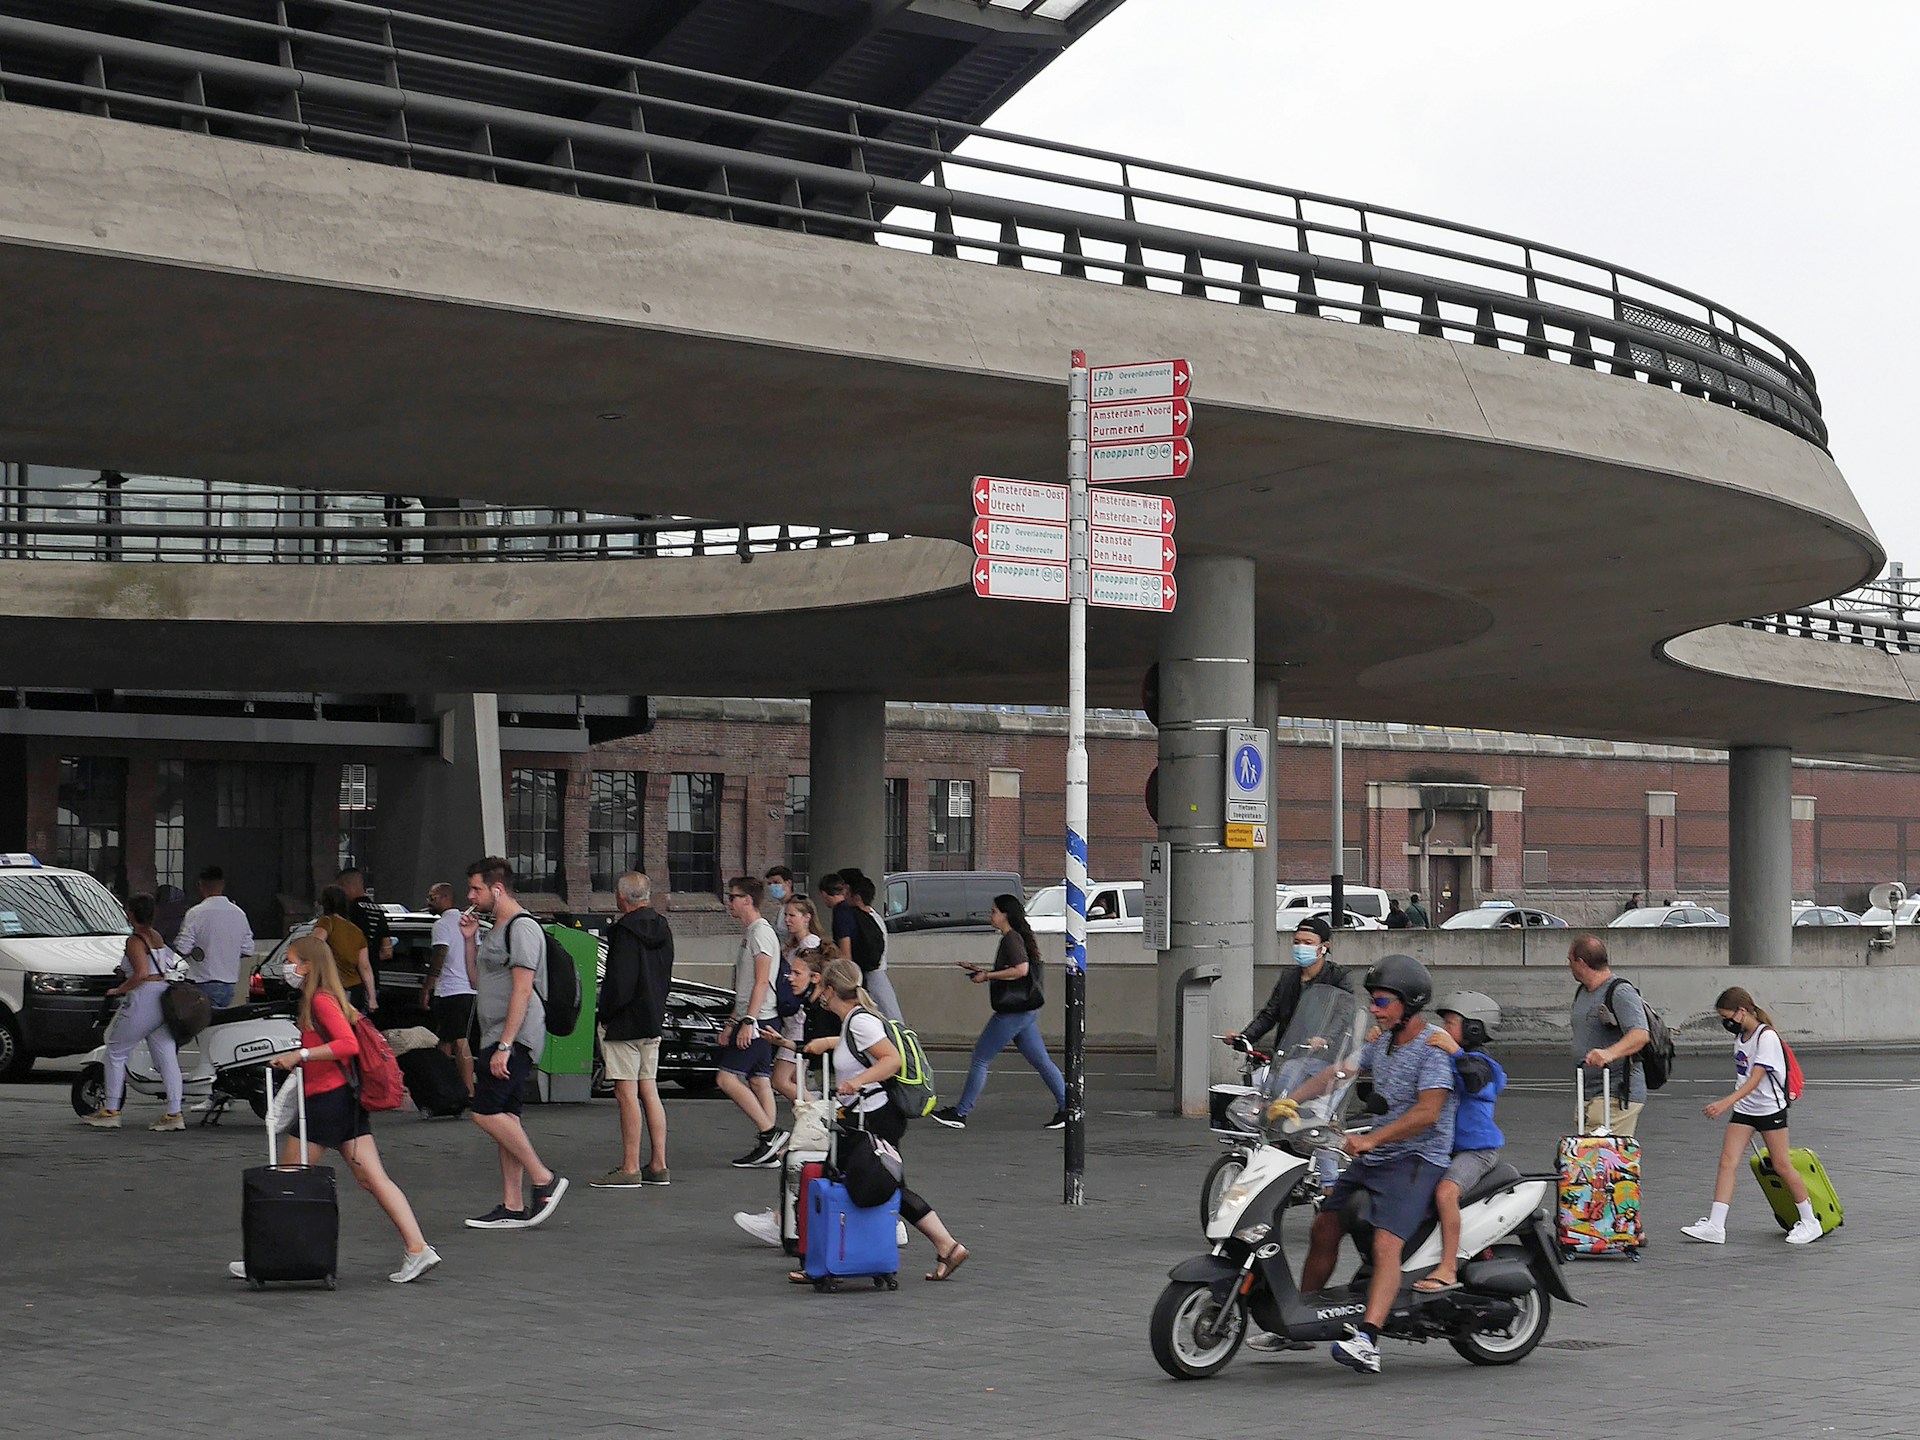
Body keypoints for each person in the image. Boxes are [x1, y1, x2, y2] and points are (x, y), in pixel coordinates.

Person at [227, 934, 440, 1284]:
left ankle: (266, 1255)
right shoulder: (329, 999)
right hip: (346, 1100)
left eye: (292, 960)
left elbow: (346, 1044)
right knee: (372, 1178)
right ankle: (417, 1247)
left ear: (308, 966)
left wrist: (302, 1055)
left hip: (327, 1102)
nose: (288, 968)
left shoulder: (322, 1002)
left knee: (286, 1178)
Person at [1293, 954, 1456, 1376]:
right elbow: (1338, 1073)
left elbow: (1428, 1114)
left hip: (1417, 1158)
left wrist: (1372, 1138)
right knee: (1324, 1225)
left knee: (1387, 1243)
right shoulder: (1380, 1044)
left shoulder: (1433, 1047)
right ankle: (1297, 1322)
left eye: (1382, 1002)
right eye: (1373, 1002)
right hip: (1376, 1154)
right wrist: (1289, 1101)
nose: (1376, 1010)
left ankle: (1367, 1340)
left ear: (1408, 1004)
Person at [793, 958, 969, 1283]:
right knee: (881, 1186)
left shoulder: (860, 1022)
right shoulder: (852, 1022)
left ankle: (826, 1262)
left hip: (873, 1117)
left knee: (858, 1182)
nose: (819, 994)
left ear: (831, 990)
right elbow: (853, 1048)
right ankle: (944, 1246)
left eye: (821, 988)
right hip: (864, 1116)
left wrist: (857, 1083)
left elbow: (892, 1059)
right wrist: (813, 1045)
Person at [460, 857, 568, 1230]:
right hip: (494, 1033)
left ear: (497, 888)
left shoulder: (522, 928)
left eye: (476, 889)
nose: (471, 896)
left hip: (513, 1036)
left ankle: (545, 1178)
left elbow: (523, 989)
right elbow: (478, 980)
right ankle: (512, 1204)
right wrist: (469, 940)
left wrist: (506, 1044)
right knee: (507, 1118)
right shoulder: (497, 928)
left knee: (484, 1112)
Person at [1681, 986, 1824, 1246]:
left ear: (1743, 1011)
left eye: (1728, 1017)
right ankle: (1716, 1225)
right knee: (1727, 1161)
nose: (1727, 1023)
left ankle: (1810, 1222)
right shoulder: (1743, 1036)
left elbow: (1756, 1080)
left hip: (1770, 1109)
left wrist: (1725, 1102)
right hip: (1746, 1109)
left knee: (1781, 1165)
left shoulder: (1766, 1037)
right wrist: (1734, 1103)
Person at [930, 893, 1066, 1130]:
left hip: (1013, 1012)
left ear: (1005, 915)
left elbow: (1021, 970)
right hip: (1026, 1011)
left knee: (980, 1058)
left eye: (994, 911)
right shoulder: (1016, 937)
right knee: (1042, 1062)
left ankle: (961, 1113)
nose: (990, 915)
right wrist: (981, 971)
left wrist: (987, 976)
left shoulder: (1011, 939)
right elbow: (1017, 969)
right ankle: (1068, 1108)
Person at [1414, 992, 1507, 1293]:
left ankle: (1448, 1267)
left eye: (1451, 1023)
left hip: (1477, 1152)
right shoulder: (1448, 1057)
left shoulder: (1482, 1065)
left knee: (1445, 1193)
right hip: (1443, 1148)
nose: (1443, 1028)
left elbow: (1474, 1079)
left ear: (1474, 1029)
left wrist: (1454, 1051)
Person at [591, 872, 673, 1189]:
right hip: (652, 1017)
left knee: (626, 1094)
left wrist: (607, 1014)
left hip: (625, 1022)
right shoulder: (663, 927)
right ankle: (659, 1164)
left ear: (622, 897)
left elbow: (619, 981)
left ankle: (629, 1168)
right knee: (649, 1089)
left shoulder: (624, 931)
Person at [81, 893, 186, 1132]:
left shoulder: (134, 940)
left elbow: (139, 974)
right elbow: (164, 964)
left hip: (144, 997)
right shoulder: (156, 936)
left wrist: (119, 989)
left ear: (130, 913)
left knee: (116, 1051)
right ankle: (174, 1112)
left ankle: (111, 1109)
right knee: (166, 1055)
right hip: (163, 996)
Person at [720, 875, 787, 1169]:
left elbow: (761, 981)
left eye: (732, 897)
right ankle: (770, 1148)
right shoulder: (752, 933)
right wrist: (733, 1020)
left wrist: (748, 1021)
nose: (729, 902)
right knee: (759, 1080)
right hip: (756, 1015)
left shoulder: (760, 932)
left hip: (759, 1017)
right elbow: (747, 985)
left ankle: (770, 1133)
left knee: (725, 1078)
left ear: (747, 899)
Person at [1223, 917, 1356, 1052]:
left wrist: (1325, 1038)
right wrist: (1244, 1037)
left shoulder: (1339, 977)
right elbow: (1269, 1014)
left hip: (1325, 1057)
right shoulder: (1289, 977)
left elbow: (1342, 1015)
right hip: (1287, 1054)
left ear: (1324, 947)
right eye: (1297, 942)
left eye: (1308, 943)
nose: (1301, 947)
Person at [1568, 934, 1650, 1136]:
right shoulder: (1583, 992)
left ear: (1581, 962)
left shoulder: (1620, 992)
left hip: (1616, 1093)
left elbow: (1640, 1034)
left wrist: (1609, 1053)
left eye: (1570, 961)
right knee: (1588, 1159)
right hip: (1591, 1092)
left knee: (1601, 1159)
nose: (1568, 966)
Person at [770, 894, 828, 1107]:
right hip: (793, 1019)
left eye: (792, 915)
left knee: (780, 1079)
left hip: (800, 1020)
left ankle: (815, 1111)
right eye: (786, 915)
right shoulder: (792, 946)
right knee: (795, 1079)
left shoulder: (809, 944)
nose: (787, 920)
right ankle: (810, 1115)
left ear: (807, 917)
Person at [420, 881, 477, 1095]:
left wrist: (427, 987)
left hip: (451, 990)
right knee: (444, 1040)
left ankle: (468, 1091)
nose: (429, 902)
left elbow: (439, 956)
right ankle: (446, 1085)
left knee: (460, 1041)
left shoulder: (442, 925)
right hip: (467, 991)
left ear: (446, 898)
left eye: (432, 898)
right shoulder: (466, 921)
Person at [174, 864, 255, 1011]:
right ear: (222, 885)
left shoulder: (196, 913)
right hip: (229, 984)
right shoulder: (239, 913)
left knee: (201, 1028)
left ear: (200, 885)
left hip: (202, 982)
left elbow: (182, 948)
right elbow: (248, 949)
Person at [845, 871, 903, 1021]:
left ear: (856, 897)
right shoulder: (876, 918)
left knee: (888, 1017)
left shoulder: (857, 918)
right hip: (877, 973)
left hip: (871, 974)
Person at [312, 885, 374, 1015]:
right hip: (355, 990)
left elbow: (314, 945)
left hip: (332, 988)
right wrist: (372, 998)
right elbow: (365, 967)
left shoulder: (326, 921)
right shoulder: (356, 931)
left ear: (324, 904)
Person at [336, 866, 394, 972]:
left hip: (351, 977)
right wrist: (371, 959)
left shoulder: (348, 911)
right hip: (373, 977)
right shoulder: (379, 911)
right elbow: (387, 952)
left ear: (346, 885)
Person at [761, 865, 795, 936]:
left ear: (789, 883)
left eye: (776, 882)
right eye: (769, 884)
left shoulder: (797, 906)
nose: (772, 886)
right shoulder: (780, 909)